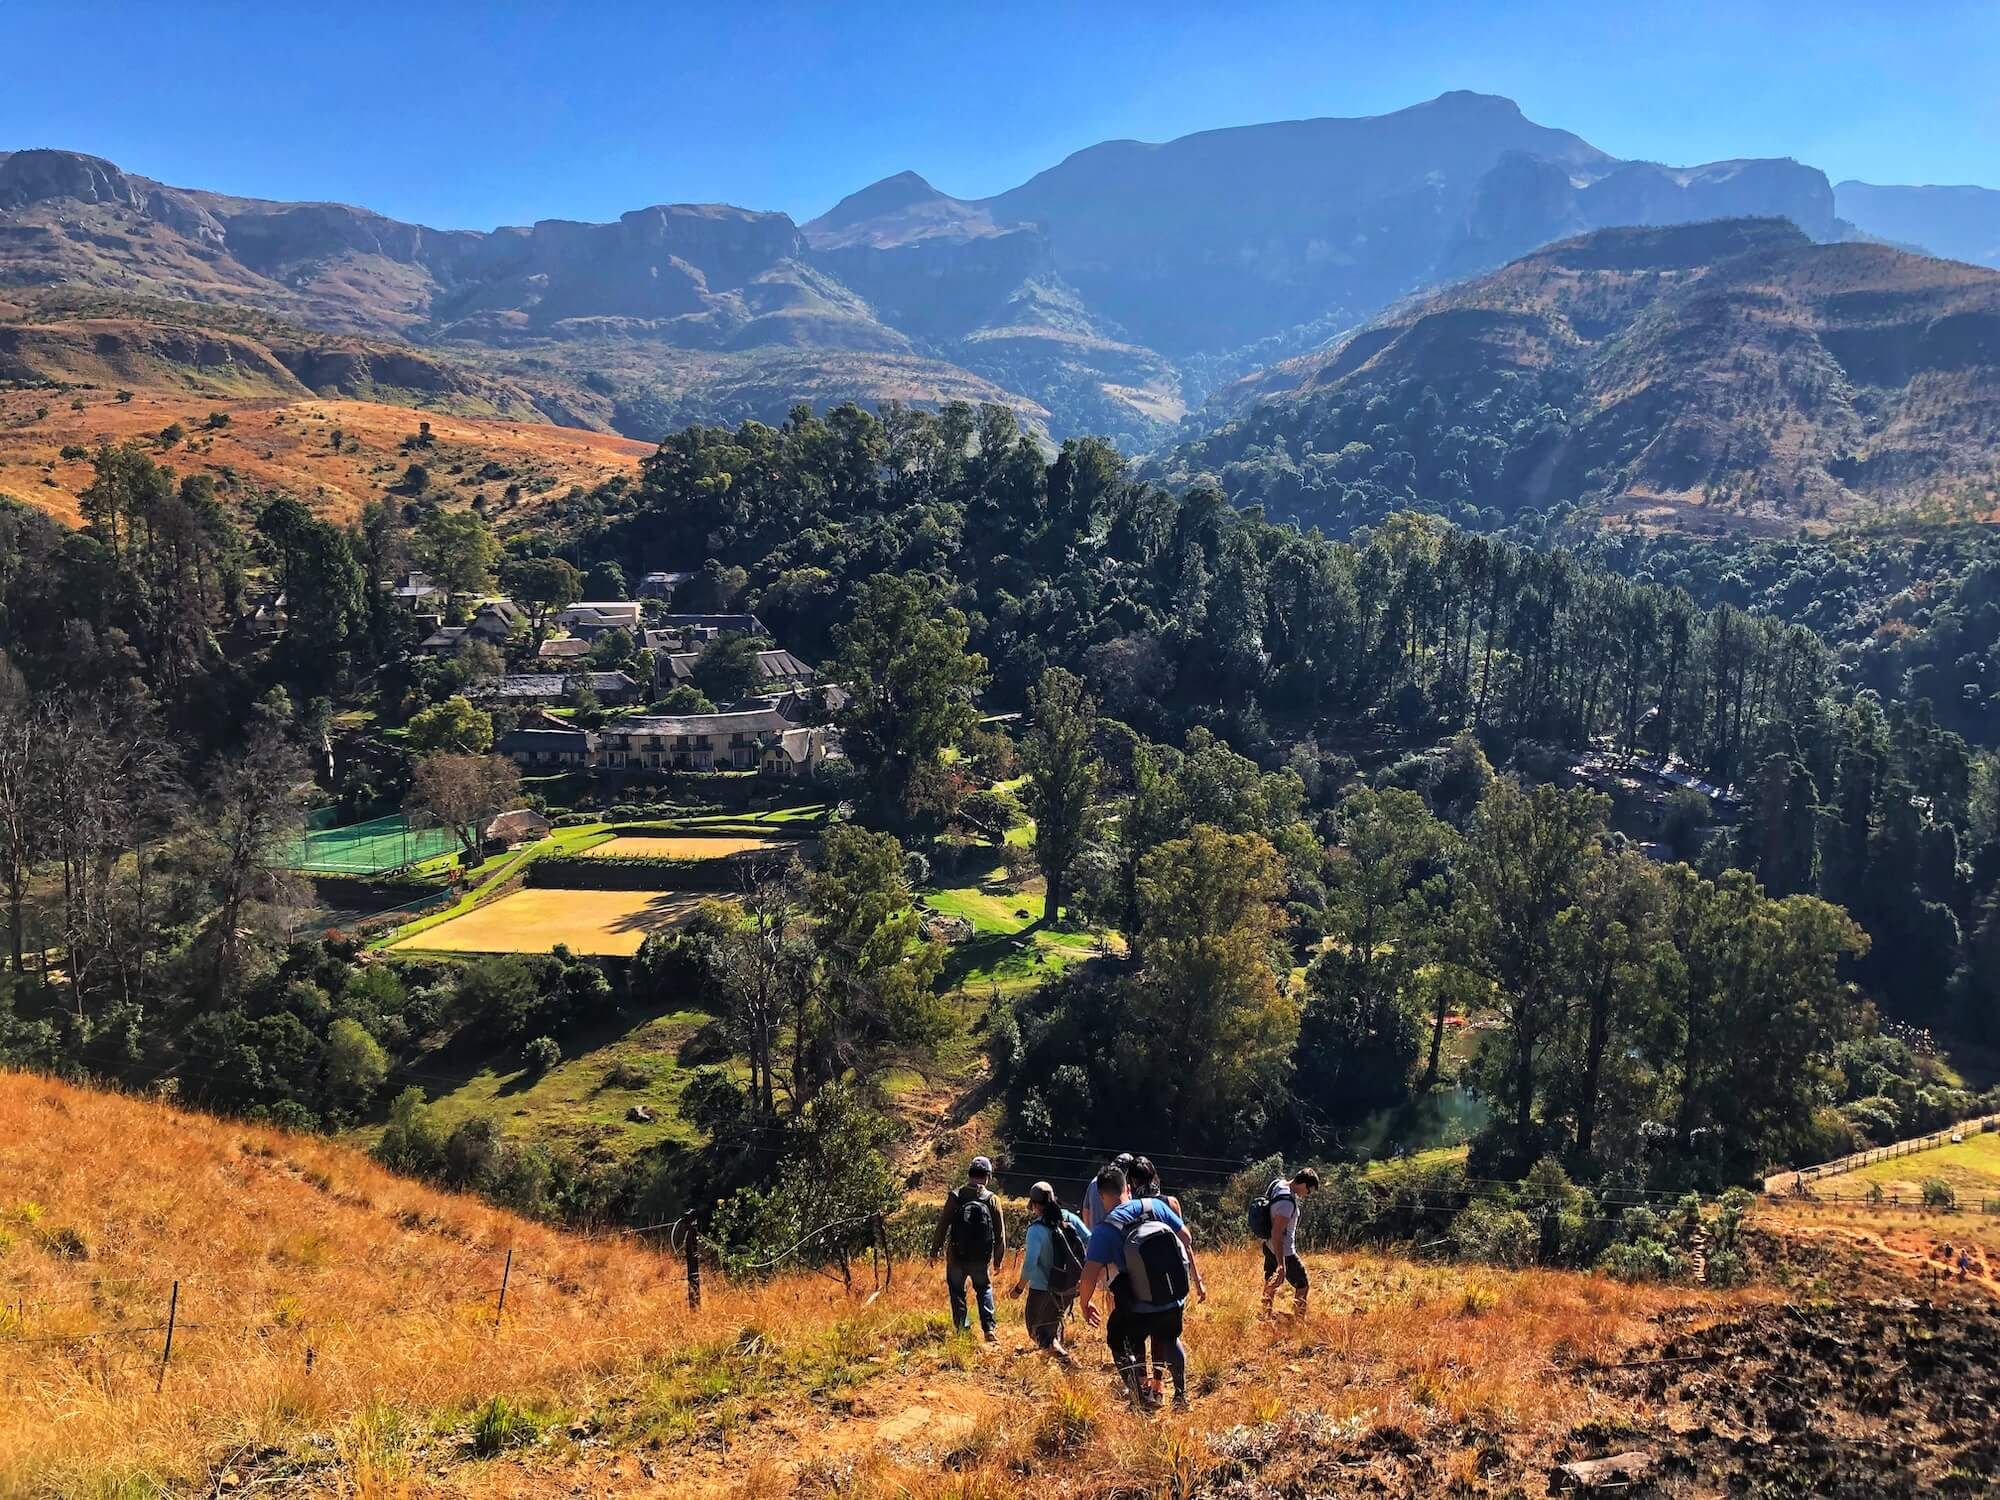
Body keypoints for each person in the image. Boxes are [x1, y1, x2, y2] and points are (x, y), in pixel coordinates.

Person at [1077, 1162, 1206, 1409]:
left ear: (1102, 1196)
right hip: (1171, 1296)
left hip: (1137, 1304)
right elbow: (1187, 1238)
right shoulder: (1155, 1205)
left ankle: (1139, 1398)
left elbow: (1089, 1274)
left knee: (1118, 1340)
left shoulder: (1105, 1230)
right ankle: (1180, 1396)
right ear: (1127, 1187)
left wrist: (1085, 1303)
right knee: (1170, 1339)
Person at [1009, 1180, 1086, 1364]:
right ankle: (1054, 1359)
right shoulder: (1069, 1218)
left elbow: (1030, 1265)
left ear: (1034, 1204)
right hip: (1069, 1287)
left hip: (1043, 1290)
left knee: (1037, 1332)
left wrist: (1019, 1288)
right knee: (1051, 1325)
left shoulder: (1036, 1229)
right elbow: (1090, 1239)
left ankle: (1065, 1361)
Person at [932, 1156, 1006, 1342]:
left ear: (969, 1174)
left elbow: (942, 1226)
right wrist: (998, 1260)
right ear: (988, 1176)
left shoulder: (955, 1196)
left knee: (957, 1291)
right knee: (984, 1288)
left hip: (956, 1256)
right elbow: (1000, 1234)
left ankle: (963, 1330)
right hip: (981, 1259)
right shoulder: (992, 1199)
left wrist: (934, 1251)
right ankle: (989, 1328)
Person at [1258, 1167, 1319, 1317]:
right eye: (1309, 1191)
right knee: (1302, 1284)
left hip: (1268, 1245)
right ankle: (1298, 1323)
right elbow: (1277, 1233)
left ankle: (1265, 1316)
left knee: (1271, 1279)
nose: (1307, 1195)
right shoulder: (1287, 1204)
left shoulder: (1278, 1184)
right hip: (1284, 1251)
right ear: (1303, 1184)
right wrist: (1281, 1264)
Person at [1082, 1152, 1135, 1229]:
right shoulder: (1122, 1187)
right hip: (1116, 1234)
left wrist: (1090, 1234)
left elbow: (1086, 1211)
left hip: (1096, 1234)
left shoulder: (1094, 1182)